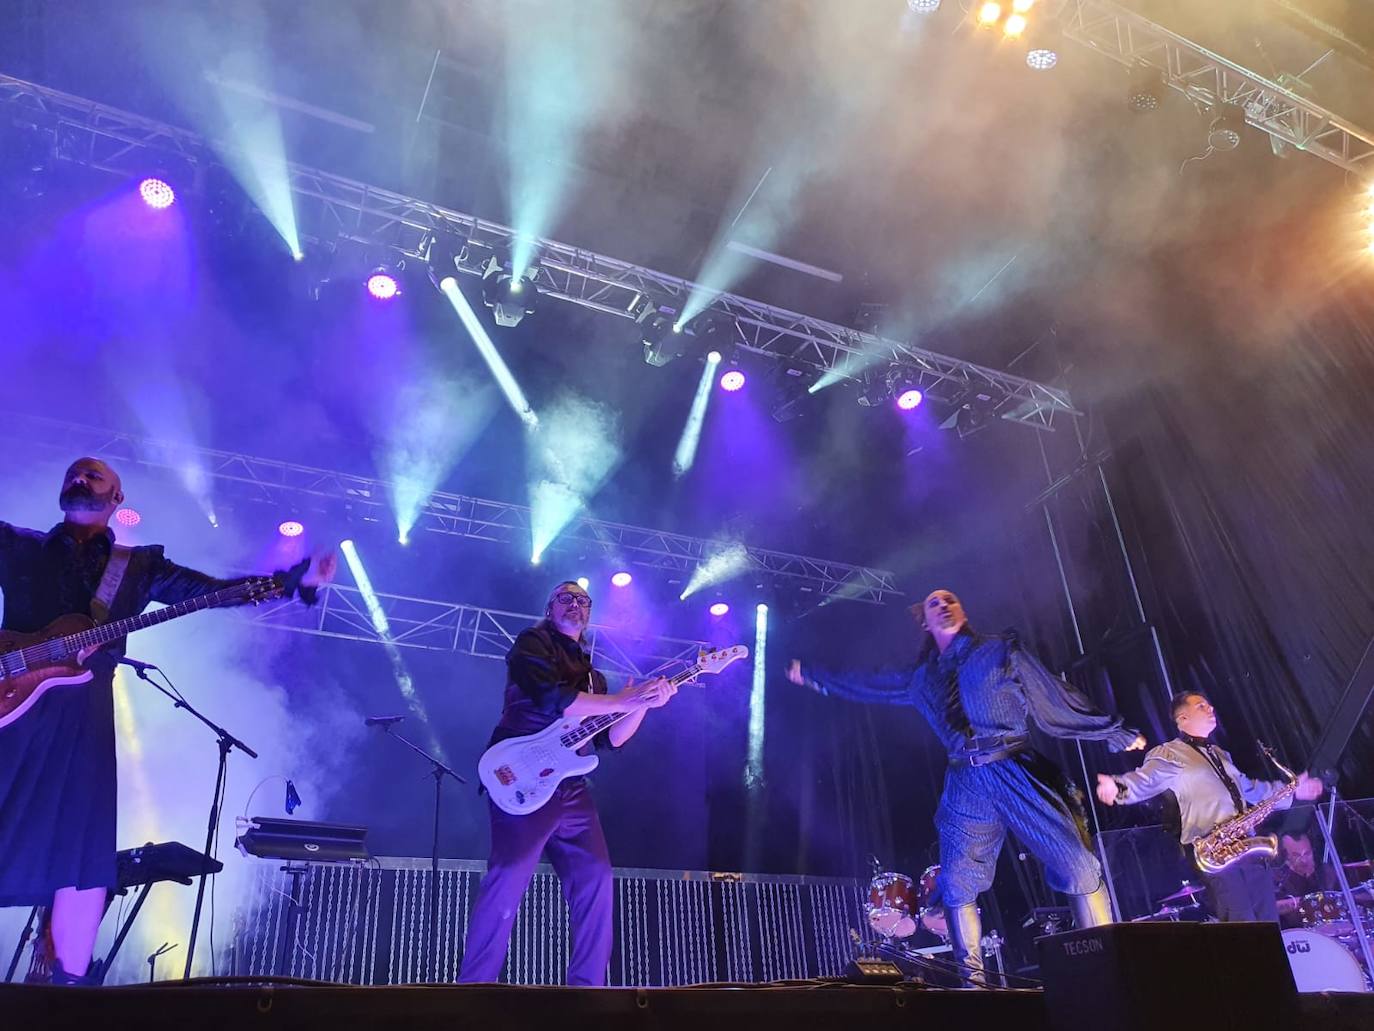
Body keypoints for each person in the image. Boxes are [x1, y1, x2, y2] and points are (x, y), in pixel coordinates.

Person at [0, 457, 335, 984]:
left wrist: (292, 582)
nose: (80, 479)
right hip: (9, 708)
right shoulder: (17, 544)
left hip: (81, 720)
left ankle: (65, 991)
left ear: (117, 499)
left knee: (80, 855)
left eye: (94, 476)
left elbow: (209, 591)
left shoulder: (136, 567)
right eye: (73, 474)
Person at [787, 589, 1145, 983]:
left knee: (1075, 860)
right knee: (956, 880)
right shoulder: (921, 678)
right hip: (966, 779)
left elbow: (1051, 696)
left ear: (963, 610)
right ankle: (971, 984)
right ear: (924, 621)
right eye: (933, 603)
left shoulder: (998, 651)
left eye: (950, 599)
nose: (943, 604)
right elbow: (870, 684)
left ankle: (1105, 966)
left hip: (1013, 764)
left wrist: (1112, 732)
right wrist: (815, 677)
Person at [458, 580, 676, 986]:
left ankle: (587, 991)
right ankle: (473, 988)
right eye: (566, 597)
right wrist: (625, 701)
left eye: (583, 600)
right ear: (549, 606)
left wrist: (644, 703)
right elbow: (552, 699)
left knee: (596, 878)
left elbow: (610, 739)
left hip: (569, 786)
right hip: (520, 773)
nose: (575, 604)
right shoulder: (533, 643)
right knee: (508, 875)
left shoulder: (595, 679)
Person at [1096, 691, 1323, 923]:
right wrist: (1118, 786)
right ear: (1182, 719)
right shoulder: (1169, 753)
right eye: (1201, 706)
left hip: (1247, 847)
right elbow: (1147, 779)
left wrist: (1293, 792)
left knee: (1268, 920)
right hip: (1215, 852)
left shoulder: (1220, 754)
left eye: (1209, 704)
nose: (1210, 708)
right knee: (1242, 925)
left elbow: (1251, 789)